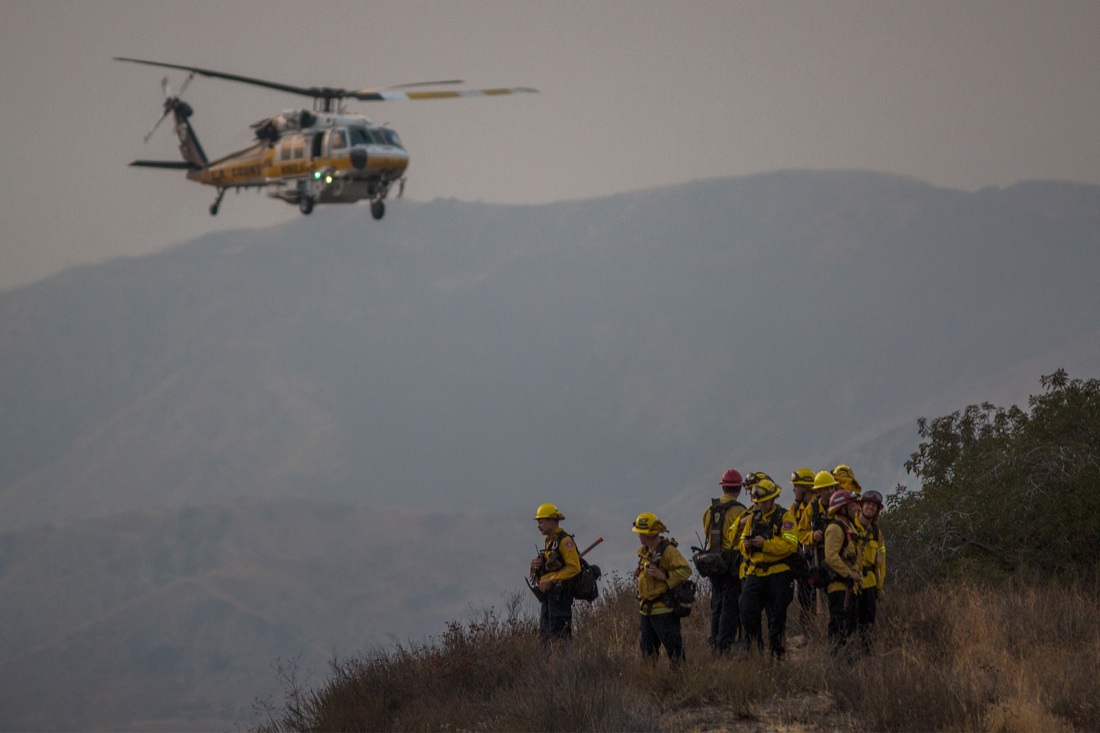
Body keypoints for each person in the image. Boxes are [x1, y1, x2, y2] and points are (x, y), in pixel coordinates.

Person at [737, 478, 799, 658]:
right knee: (746, 609)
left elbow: (790, 544)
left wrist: (765, 545)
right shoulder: (754, 517)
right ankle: (755, 651)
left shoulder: (784, 517)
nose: (760, 505)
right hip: (755, 573)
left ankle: (777, 654)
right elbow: (741, 542)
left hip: (778, 574)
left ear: (772, 499)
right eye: (758, 502)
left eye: (763, 501)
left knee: (777, 617)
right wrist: (747, 546)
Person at [633, 512, 692, 667]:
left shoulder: (668, 551)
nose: (638, 535)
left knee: (674, 652)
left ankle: (680, 680)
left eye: (640, 532)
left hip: (664, 611)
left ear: (647, 534)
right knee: (648, 654)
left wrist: (665, 576)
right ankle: (651, 681)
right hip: (646, 611)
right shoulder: (645, 552)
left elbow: (685, 570)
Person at [701, 469, 748, 654]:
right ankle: (724, 646)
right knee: (730, 607)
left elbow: (707, 532)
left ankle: (714, 641)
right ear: (739, 488)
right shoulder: (740, 511)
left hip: (713, 564)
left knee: (717, 605)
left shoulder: (709, 510)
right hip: (731, 566)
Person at [530, 503, 581, 644]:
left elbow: (574, 567)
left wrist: (552, 580)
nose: (538, 526)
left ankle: (563, 665)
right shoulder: (550, 542)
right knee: (546, 638)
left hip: (561, 597)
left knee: (560, 638)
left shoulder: (565, 541)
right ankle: (549, 665)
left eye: (541, 522)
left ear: (551, 521)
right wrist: (535, 566)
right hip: (548, 597)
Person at [822, 489, 863, 653]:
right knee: (838, 628)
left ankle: (846, 664)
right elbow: (831, 557)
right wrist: (848, 573)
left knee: (850, 628)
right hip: (839, 589)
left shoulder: (850, 529)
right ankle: (834, 663)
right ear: (842, 508)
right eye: (852, 504)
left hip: (850, 588)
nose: (856, 508)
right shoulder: (835, 528)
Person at [799, 470, 840, 611]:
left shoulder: (840, 505)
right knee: (817, 591)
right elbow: (800, 532)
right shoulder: (812, 508)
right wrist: (812, 536)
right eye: (826, 488)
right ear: (819, 491)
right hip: (819, 555)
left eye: (831, 488)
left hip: (837, 554)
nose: (830, 491)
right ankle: (818, 624)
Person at [855, 490, 886, 652]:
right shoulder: (850, 526)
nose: (870, 507)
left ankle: (867, 658)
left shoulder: (876, 533)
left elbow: (881, 562)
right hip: (852, 583)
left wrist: (879, 587)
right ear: (861, 506)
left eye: (874, 506)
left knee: (868, 625)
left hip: (870, 585)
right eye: (867, 504)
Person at [789, 468, 817, 619]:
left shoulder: (818, 506)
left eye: (797, 486)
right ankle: (808, 631)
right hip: (803, 559)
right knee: (803, 595)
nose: (794, 490)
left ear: (806, 488)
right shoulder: (794, 508)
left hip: (818, 557)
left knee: (817, 594)